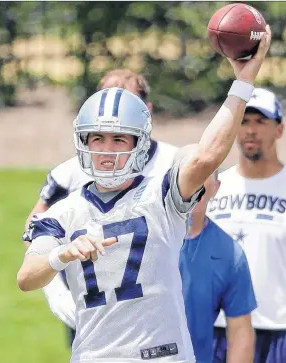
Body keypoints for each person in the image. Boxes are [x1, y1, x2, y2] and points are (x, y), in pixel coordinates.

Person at [17, 27, 271, 363]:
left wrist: (243, 82)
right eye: (97, 138)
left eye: (119, 140)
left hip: (162, 356)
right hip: (94, 355)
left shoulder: (162, 195)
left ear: (140, 144)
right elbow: (26, 277)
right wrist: (62, 254)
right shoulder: (62, 212)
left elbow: (208, 155)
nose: (106, 151)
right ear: (83, 141)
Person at [23, 69, 178, 345]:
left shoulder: (171, 162)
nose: (114, 115)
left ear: (146, 110)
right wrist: (55, 290)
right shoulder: (72, 170)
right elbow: (36, 226)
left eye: (126, 101)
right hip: (93, 298)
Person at [207, 87, 286, 363]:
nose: (250, 130)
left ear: (279, 129)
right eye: (243, 120)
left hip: (277, 331)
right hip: (218, 329)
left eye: (260, 121)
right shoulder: (214, 188)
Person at [179, 161, 256, 363]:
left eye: (204, 173)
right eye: (190, 171)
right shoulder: (143, 236)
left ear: (216, 188)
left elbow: (240, 332)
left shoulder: (230, 254)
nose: (196, 181)